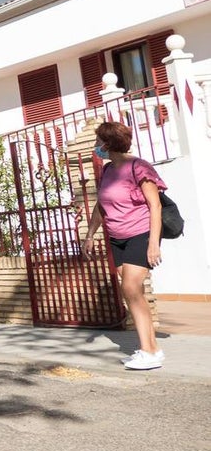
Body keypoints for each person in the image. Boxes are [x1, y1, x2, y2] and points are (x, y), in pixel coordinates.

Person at [83, 121, 167, 370]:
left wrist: (153, 244)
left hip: (140, 234)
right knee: (134, 293)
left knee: (130, 287)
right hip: (117, 238)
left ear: (108, 143)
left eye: (98, 141)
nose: (96, 146)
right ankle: (152, 349)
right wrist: (90, 235)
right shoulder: (108, 170)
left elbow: (155, 205)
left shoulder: (138, 166)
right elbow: (101, 206)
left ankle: (148, 351)